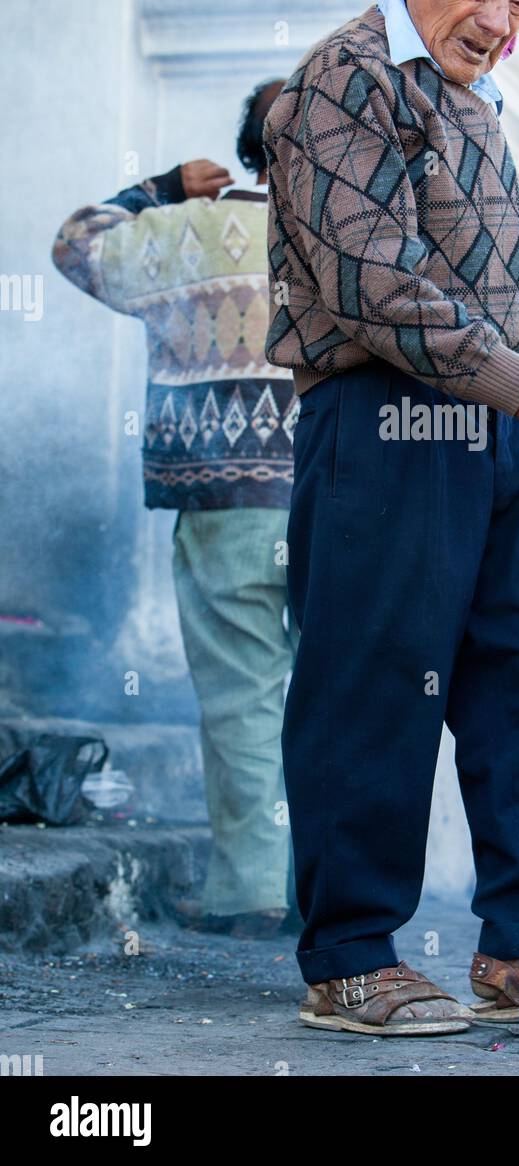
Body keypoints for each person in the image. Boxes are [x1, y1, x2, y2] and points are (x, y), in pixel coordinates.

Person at [264, 0, 519, 1034]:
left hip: (492, 423)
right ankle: (349, 958)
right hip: (381, 417)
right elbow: (369, 279)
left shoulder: (472, 100)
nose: (501, 18)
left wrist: (518, 397)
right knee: (372, 683)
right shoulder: (342, 77)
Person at [52, 80, 301, 937]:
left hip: (230, 497)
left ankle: (253, 888)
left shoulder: (183, 232)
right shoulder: (353, 234)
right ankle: (334, 888)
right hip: (347, 493)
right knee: (336, 692)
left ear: (246, 152)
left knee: (243, 694)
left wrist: (155, 190)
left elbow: (77, 242)